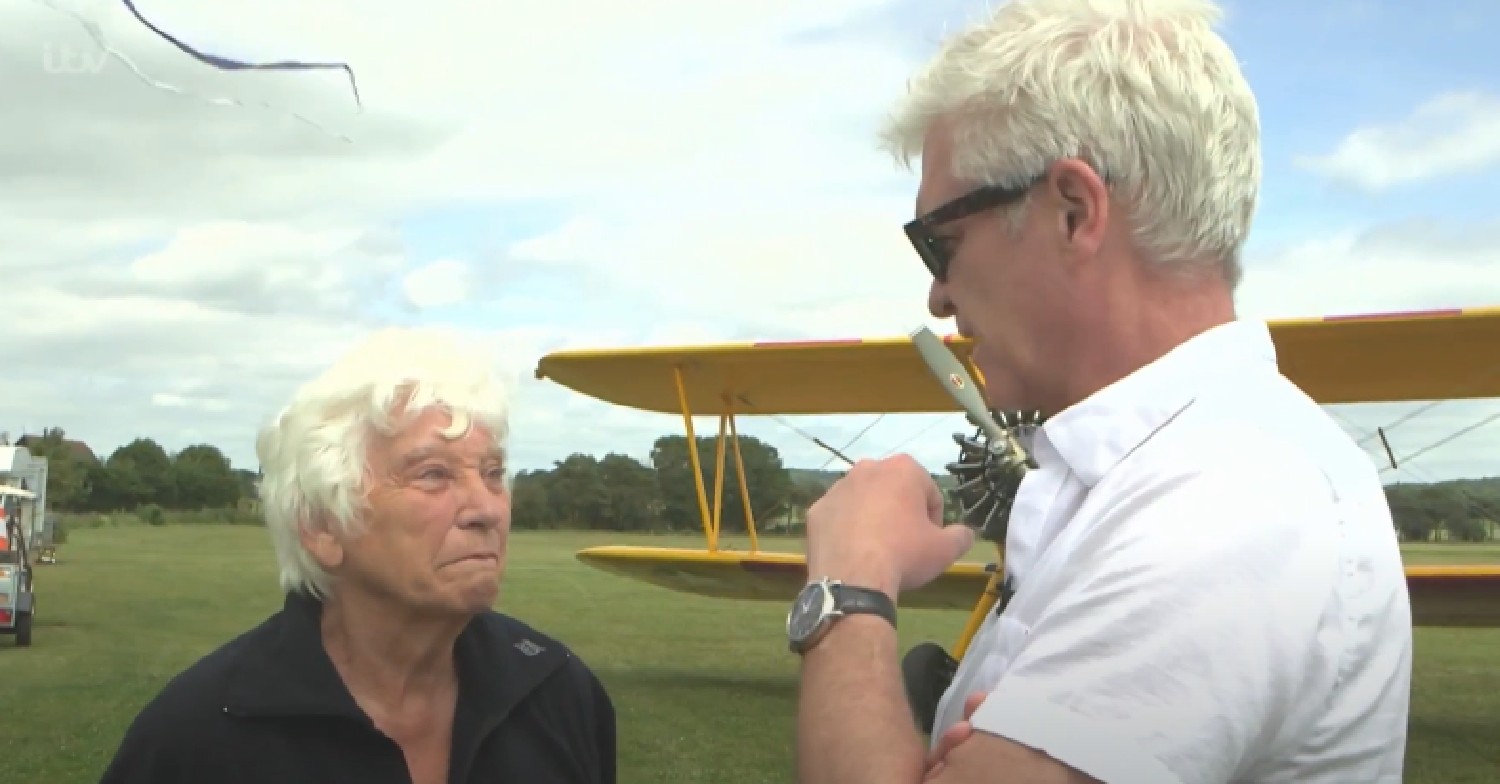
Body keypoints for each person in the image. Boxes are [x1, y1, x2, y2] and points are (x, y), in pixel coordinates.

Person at [788, 1, 1412, 782]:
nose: (938, 299)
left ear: (1074, 211)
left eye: (938, 243)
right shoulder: (1170, 475)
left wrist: (848, 587)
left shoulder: (1226, 506)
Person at [99, 327, 617, 784]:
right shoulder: (199, 737)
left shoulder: (558, 693)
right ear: (322, 525)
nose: (486, 509)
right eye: (433, 474)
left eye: (493, 474)